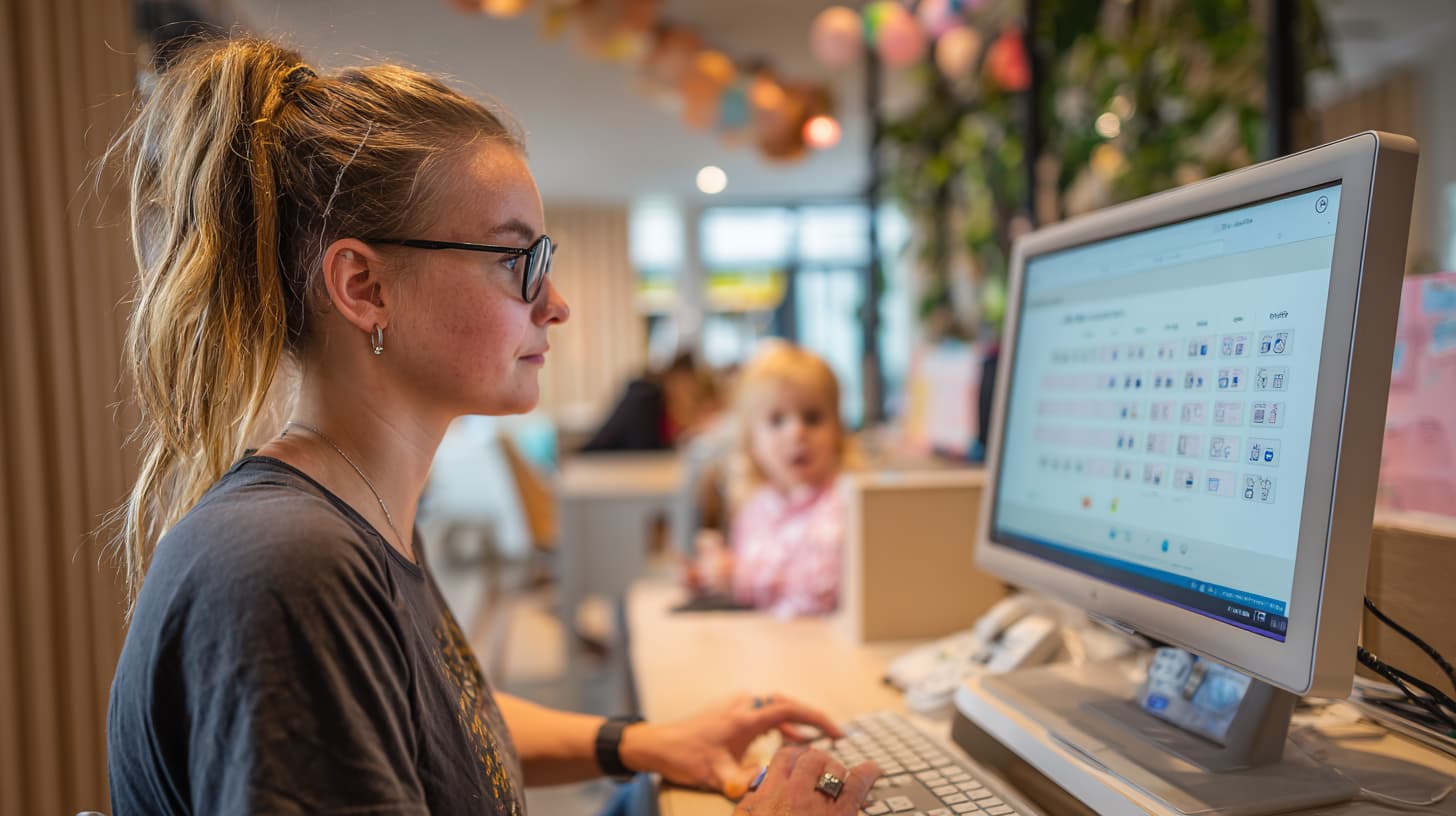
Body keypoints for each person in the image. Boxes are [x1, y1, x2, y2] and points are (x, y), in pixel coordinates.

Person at [104, 37, 877, 815]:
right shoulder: (287, 567)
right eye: (517, 261)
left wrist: (637, 742)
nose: (557, 303)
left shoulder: (363, 512)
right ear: (365, 287)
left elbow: (437, 725)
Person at [687, 343, 856, 617]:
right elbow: (754, 581)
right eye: (777, 420)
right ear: (751, 441)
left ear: (838, 431)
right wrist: (714, 578)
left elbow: (822, 590)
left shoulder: (841, 502)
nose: (797, 433)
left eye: (812, 418)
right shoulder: (756, 505)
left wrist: (741, 577)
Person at [580, 351, 721, 452]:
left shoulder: (663, 404)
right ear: (673, 380)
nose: (689, 398)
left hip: (624, 476)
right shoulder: (644, 401)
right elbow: (644, 454)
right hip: (596, 471)